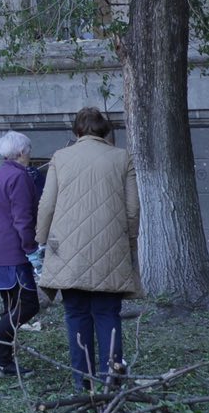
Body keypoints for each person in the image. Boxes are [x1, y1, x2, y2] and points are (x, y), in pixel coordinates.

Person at [35, 107, 140, 390]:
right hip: (112, 249)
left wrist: (41, 240)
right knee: (108, 314)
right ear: (105, 130)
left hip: (68, 253)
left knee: (76, 315)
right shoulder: (122, 157)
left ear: (77, 131)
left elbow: (47, 204)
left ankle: (83, 384)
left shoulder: (61, 157)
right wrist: (129, 243)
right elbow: (132, 209)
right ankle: (112, 381)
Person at [0, 131, 45, 377]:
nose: (30, 155)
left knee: (12, 307)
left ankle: (3, 359)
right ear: (22, 152)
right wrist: (32, 250)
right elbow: (23, 218)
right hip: (13, 252)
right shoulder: (19, 176)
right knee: (28, 304)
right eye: (29, 151)